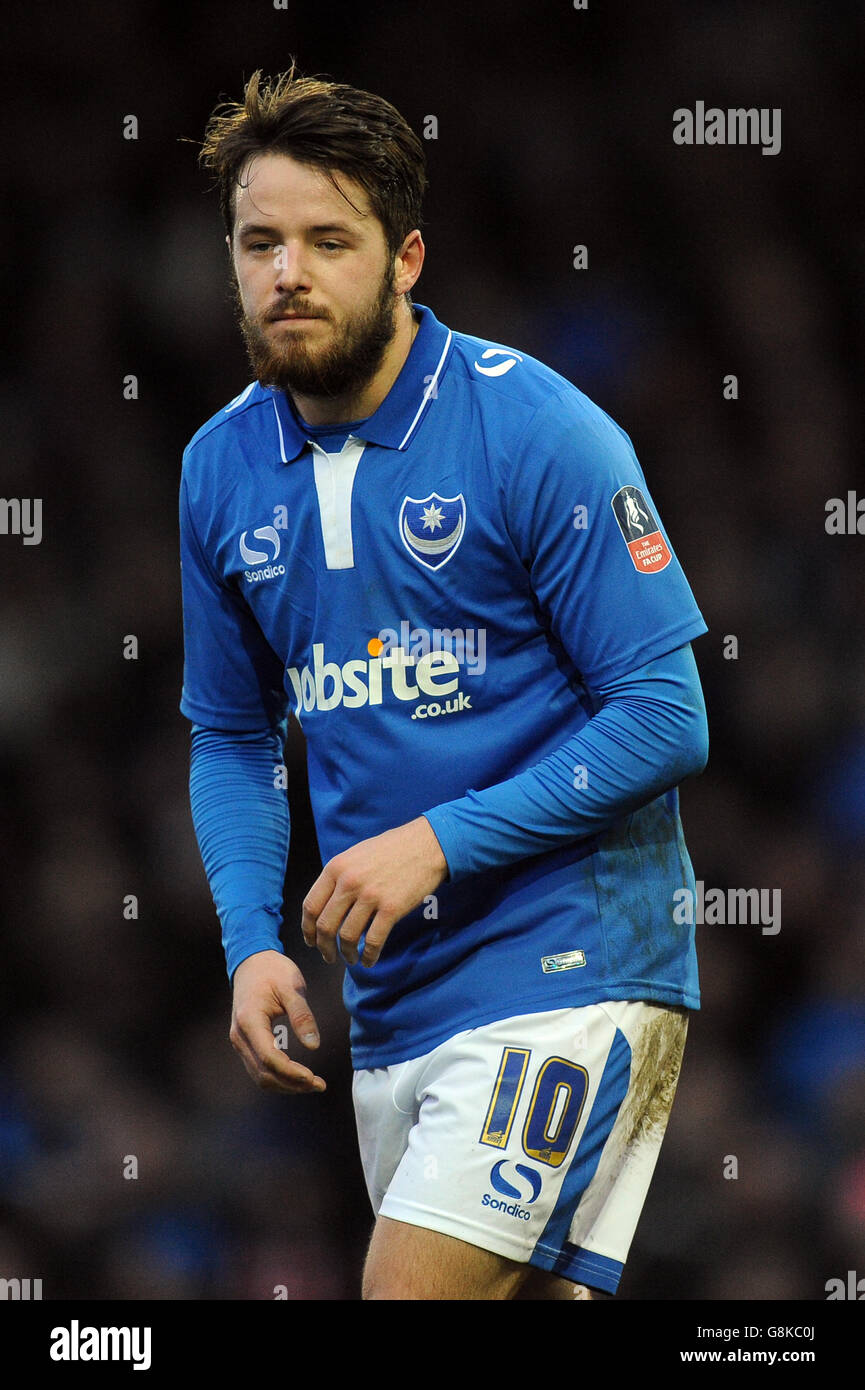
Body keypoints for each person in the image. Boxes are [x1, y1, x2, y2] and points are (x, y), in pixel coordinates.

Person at [179, 64, 709, 1301]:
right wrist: (251, 940)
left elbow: (665, 713)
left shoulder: (537, 429)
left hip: (569, 969)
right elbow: (230, 733)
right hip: (396, 1005)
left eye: (327, 241)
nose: (286, 273)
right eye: (259, 242)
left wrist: (438, 841)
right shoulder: (218, 467)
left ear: (406, 258)